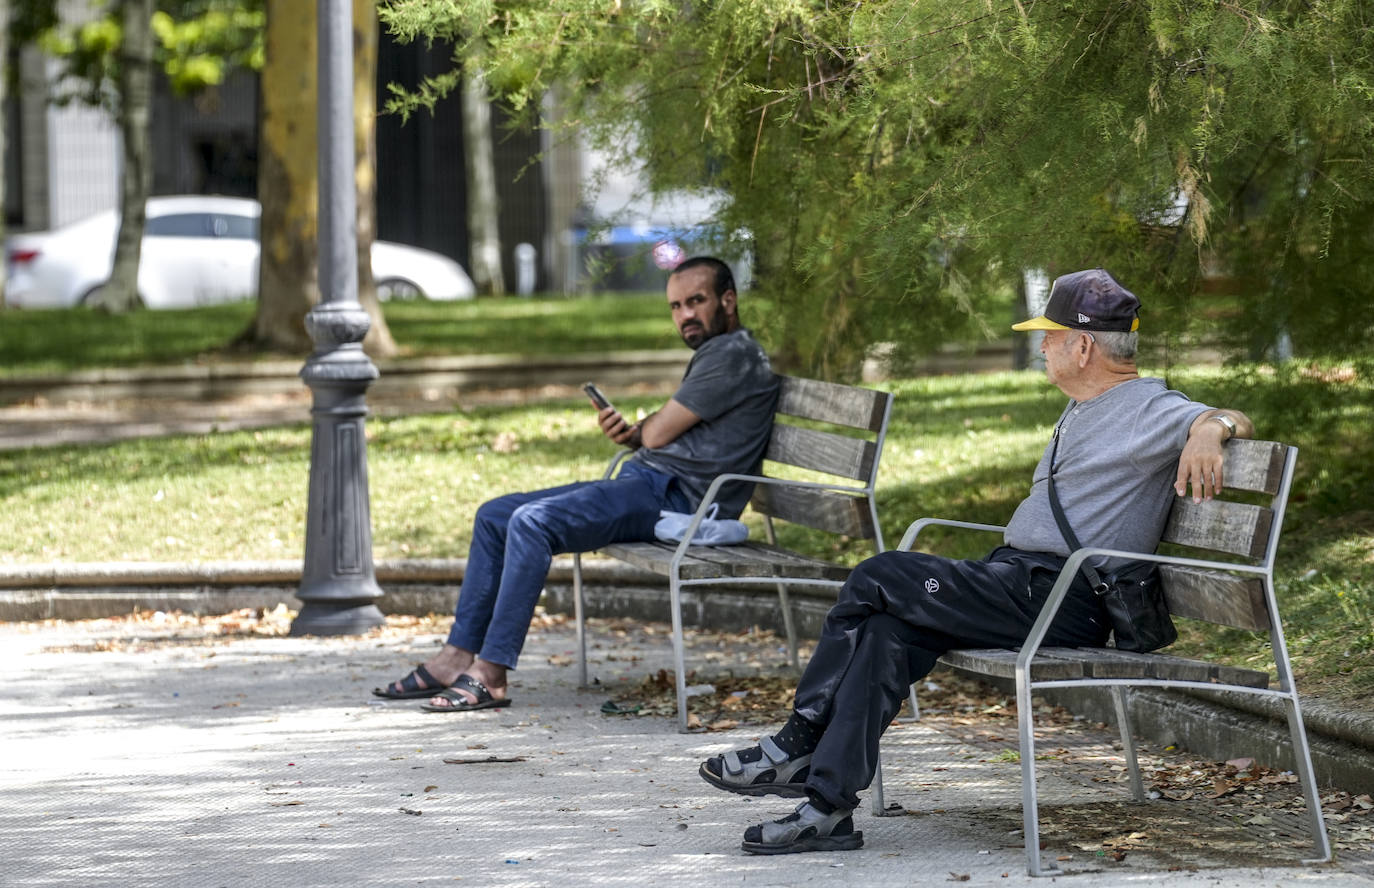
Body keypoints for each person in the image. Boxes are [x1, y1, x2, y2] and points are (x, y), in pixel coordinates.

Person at [697, 268, 1254, 855]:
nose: (1042, 347)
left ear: (1083, 345)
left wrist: (1208, 432)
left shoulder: (1147, 407)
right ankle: (826, 809)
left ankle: (796, 740)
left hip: (1060, 597)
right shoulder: (1089, 404)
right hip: (1018, 581)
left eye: (1050, 336)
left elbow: (1229, 417)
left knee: (878, 573)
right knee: (887, 631)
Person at [374, 256, 780, 712]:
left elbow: (662, 431)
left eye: (696, 301)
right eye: (675, 306)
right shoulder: (720, 353)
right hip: (648, 483)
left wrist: (641, 432)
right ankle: (454, 657)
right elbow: (664, 428)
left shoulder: (734, 354)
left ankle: (491, 673)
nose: (684, 314)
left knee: (531, 522)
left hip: (674, 498)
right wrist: (634, 434)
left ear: (728, 299)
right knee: (494, 515)